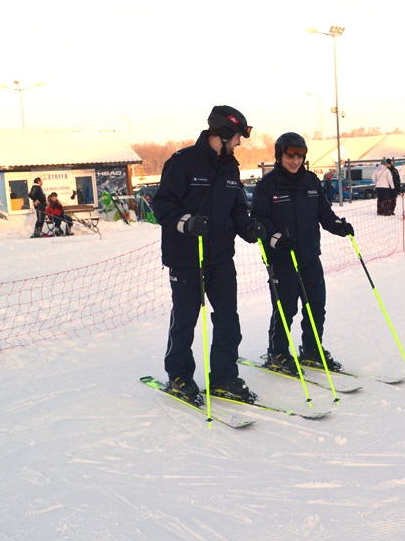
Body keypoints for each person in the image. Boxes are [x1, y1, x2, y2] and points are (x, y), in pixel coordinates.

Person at [150, 105, 263, 403]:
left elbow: (237, 206)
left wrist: (247, 227)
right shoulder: (184, 162)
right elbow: (161, 205)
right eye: (237, 137)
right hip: (187, 257)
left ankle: (224, 377)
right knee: (186, 319)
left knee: (228, 319)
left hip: (221, 257)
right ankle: (179, 376)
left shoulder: (230, 166)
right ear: (224, 133)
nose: (239, 143)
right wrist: (185, 222)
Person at [252, 133, 354, 374]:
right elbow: (259, 220)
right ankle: (277, 352)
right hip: (282, 259)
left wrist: (337, 225)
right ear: (280, 155)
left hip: (309, 256)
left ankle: (311, 349)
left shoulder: (310, 182)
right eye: (290, 156)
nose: (295, 161)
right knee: (285, 308)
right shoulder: (267, 186)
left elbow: (324, 213)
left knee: (316, 307)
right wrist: (276, 238)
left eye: (300, 156)